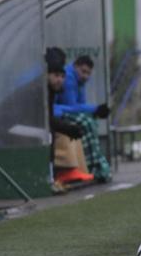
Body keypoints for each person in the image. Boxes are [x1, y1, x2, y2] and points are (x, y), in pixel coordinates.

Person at [56, 55, 112, 182]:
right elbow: (72, 106)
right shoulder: (69, 78)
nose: (86, 76)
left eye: (88, 73)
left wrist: (95, 110)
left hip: (59, 112)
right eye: (83, 71)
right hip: (55, 114)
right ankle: (92, 166)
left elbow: (79, 105)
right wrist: (95, 109)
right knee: (85, 123)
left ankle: (92, 165)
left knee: (89, 121)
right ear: (75, 67)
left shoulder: (79, 81)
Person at [45, 48, 94, 187]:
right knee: (53, 133)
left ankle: (77, 170)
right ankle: (59, 173)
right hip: (12, 127)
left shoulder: (52, 88)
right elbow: (45, 119)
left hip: (30, 124)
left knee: (71, 129)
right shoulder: (42, 89)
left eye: (62, 76)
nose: (60, 80)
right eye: (56, 75)